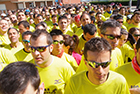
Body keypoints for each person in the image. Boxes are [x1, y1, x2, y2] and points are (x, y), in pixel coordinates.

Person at [64, 37, 130, 94]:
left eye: (105, 64)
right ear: (85, 63)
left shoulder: (119, 82)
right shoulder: (74, 82)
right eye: (94, 64)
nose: (100, 71)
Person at [30, 29, 75, 93]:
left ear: (51, 48)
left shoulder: (64, 67)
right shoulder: (27, 69)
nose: (36, 53)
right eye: (32, 49)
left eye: (41, 48)